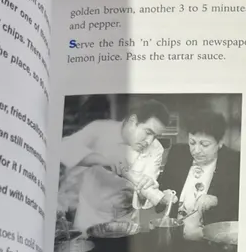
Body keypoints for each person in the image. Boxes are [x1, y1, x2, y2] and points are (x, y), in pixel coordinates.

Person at [58, 99, 170, 235]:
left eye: (155, 136)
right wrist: (102, 160)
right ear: (133, 121)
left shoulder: (156, 149)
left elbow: (147, 192)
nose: (149, 141)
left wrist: (145, 189)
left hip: (126, 220)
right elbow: (64, 148)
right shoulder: (100, 130)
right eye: (148, 132)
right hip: (91, 217)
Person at [155, 107, 240, 227]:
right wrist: (163, 196)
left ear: (220, 142)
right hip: (176, 232)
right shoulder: (177, 154)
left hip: (212, 235)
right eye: (192, 142)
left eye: (204, 144)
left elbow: (240, 204)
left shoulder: (233, 161)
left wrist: (217, 201)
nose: (196, 150)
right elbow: (161, 192)